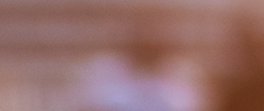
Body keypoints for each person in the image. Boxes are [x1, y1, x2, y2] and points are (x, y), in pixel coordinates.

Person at [69, 18, 203, 111]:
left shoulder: (181, 73)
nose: (147, 44)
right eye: (143, 41)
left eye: (151, 42)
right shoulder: (103, 70)